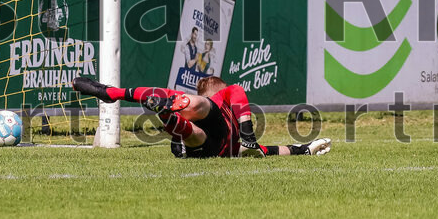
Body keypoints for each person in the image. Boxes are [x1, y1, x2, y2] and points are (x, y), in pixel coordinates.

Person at [72, 75, 331, 158]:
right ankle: (166, 111)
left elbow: (273, 149)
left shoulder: (239, 145)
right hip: (211, 138)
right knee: (192, 116)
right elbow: (236, 91)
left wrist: (304, 149)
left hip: (203, 145)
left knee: (190, 129)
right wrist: (248, 136)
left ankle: (158, 109)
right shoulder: (223, 97)